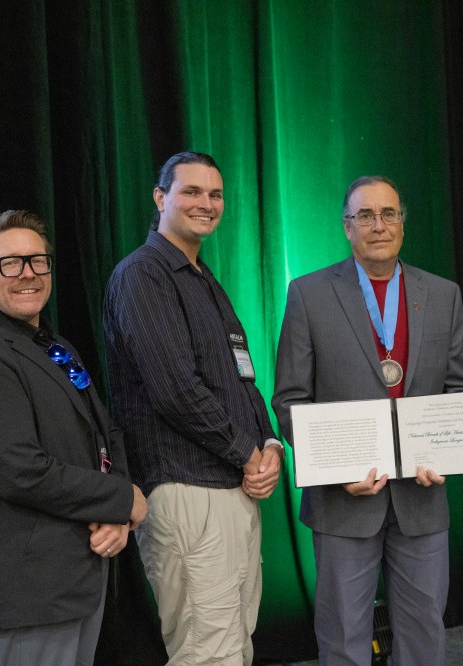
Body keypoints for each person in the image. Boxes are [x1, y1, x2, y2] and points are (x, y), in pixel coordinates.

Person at [272, 175, 463, 665]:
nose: (378, 225)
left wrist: (444, 453)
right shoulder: (308, 294)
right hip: (343, 502)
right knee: (343, 635)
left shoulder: (444, 294)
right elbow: (290, 400)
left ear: (402, 223)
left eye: (388, 214)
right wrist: (336, 468)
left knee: (425, 630)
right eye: (365, 215)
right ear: (347, 227)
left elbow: (460, 391)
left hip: (421, 498)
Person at [0, 210, 148, 666]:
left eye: (39, 261)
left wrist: (116, 512)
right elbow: (21, 472)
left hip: (83, 569)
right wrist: (122, 499)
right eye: (11, 264)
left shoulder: (55, 347)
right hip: (33, 585)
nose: (29, 274)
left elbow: (105, 431)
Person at [103, 151, 282, 665]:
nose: (206, 203)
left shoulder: (201, 276)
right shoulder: (143, 276)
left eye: (215, 194)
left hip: (229, 486)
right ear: (160, 199)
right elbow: (176, 390)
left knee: (234, 644)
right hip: (187, 488)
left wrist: (268, 444)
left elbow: (242, 379)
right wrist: (247, 455)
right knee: (209, 652)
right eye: (191, 192)